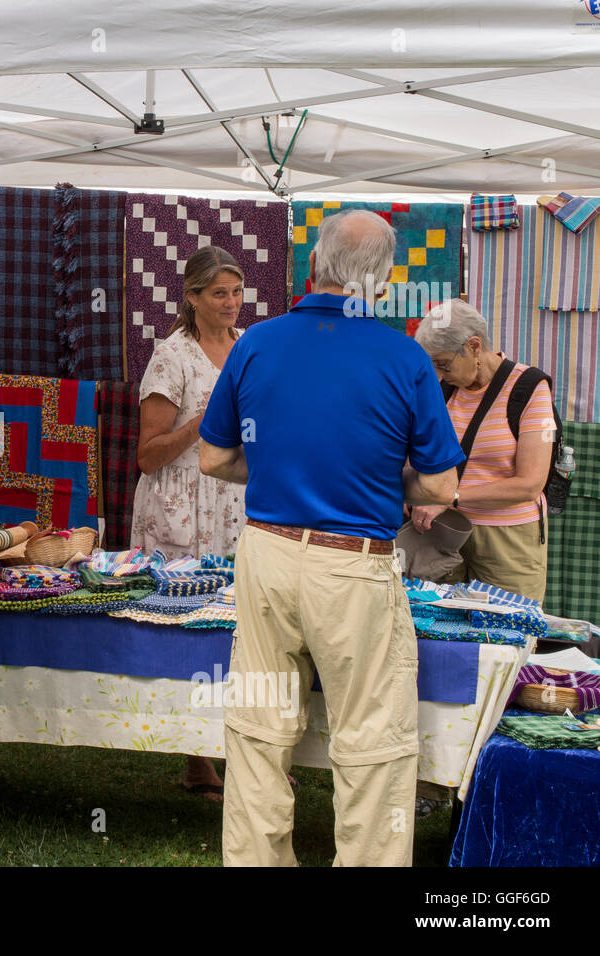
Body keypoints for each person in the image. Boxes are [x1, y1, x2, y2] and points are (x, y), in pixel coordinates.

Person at [198, 209, 463, 866]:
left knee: (259, 731)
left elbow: (213, 457)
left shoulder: (255, 343)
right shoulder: (403, 356)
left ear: (313, 263)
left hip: (265, 554)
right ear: (382, 281)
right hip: (352, 565)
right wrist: (377, 475)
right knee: (372, 741)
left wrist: (288, 465)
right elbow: (442, 489)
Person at [132, 246, 246, 802]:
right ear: (193, 298)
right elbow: (148, 455)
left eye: (235, 291)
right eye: (218, 293)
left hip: (235, 504)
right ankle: (197, 764)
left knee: (240, 629)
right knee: (188, 628)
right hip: (180, 507)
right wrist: (202, 423)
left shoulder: (248, 347)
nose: (230, 303)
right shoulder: (170, 357)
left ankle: (243, 753)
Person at [411, 300, 554, 602]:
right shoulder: (442, 390)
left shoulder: (528, 388)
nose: (438, 374)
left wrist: (447, 497)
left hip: (507, 539)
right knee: (440, 629)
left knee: (508, 632)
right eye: (432, 365)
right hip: (444, 533)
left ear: (474, 347)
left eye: (444, 363)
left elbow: (530, 484)